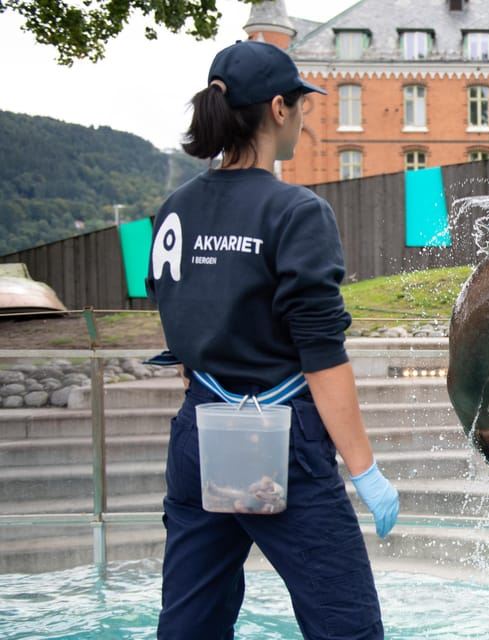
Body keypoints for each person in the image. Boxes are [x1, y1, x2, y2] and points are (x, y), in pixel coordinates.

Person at [147, 40, 399, 640]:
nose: (306, 118)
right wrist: (364, 469)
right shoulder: (296, 211)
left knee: (190, 626)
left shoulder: (173, 211)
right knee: (348, 629)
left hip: (199, 433)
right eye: (302, 105)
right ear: (279, 110)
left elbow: (183, 336)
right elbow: (321, 352)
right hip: (282, 442)